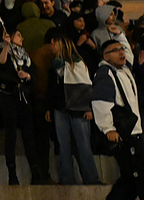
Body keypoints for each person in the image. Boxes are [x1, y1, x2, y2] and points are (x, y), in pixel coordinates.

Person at [92, 40, 144, 200]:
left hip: (133, 131)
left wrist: (119, 34)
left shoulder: (125, 71)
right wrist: (108, 128)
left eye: (122, 49)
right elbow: (101, 102)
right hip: (124, 134)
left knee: (131, 180)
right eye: (115, 50)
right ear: (106, 56)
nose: (121, 52)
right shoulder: (105, 73)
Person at [46, 32, 100, 185]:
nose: (52, 47)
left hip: (78, 108)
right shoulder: (54, 65)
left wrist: (89, 108)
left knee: (83, 144)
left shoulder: (77, 63)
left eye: (53, 43)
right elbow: (51, 89)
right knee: (64, 145)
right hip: (60, 108)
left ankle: (91, 179)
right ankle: (67, 178)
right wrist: (49, 108)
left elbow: (86, 87)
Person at [0, 30, 45, 185]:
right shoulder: (3, 50)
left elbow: (33, 71)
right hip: (8, 96)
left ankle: (35, 171)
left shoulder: (25, 55)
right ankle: (12, 173)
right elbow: (0, 64)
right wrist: (6, 45)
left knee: (28, 134)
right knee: (10, 134)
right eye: (18, 35)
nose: (21, 38)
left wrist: (28, 76)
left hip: (23, 96)